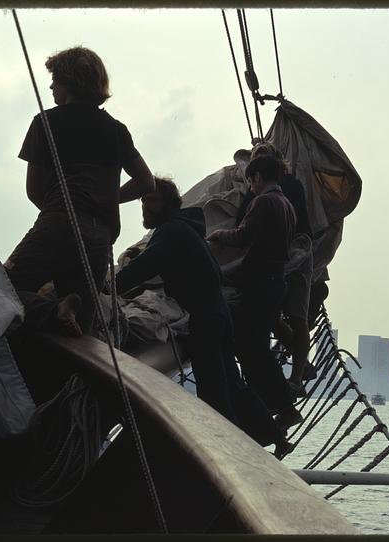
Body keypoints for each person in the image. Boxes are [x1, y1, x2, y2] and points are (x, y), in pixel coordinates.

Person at [115, 177, 293, 457]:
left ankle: (232, 452)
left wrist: (109, 287)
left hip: (205, 318)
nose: (145, 208)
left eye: (151, 200)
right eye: (143, 201)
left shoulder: (170, 232)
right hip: (219, 313)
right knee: (233, 383)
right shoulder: (187, 229)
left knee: (214, 390)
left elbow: (144, 268)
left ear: (167, 204)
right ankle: (274, 436)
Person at [4, 46, 154, 337]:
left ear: (69, 81)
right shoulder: (116, 130)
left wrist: (62, 216)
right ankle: (66, 314)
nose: (50, 85)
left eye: (55, 79)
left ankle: (53, 310)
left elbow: (33, 190)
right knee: (80, 333)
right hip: (99, 238)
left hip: (58, 222)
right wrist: (105, 201)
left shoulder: (45, 122)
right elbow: (146, 182)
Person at [207, 155, 302, 431]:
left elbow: (243, 236)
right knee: (253, 345)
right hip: (274, 282)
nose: (249, 187)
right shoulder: (286, 205)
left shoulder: (263, 201)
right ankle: (267, 406)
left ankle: (281, 406)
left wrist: (219, 235)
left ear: (258, 177)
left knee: (252, 348)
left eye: (250, 181)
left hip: (260, 283)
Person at [235, 142, 313, 397]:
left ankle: (297, 378)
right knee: (271, 315)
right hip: (275, 264)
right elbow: (244, 220)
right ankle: (292, 367)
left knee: (297, 316)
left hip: (297, 256)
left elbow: (243, 229)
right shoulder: (259, 194)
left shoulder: (287, 189)